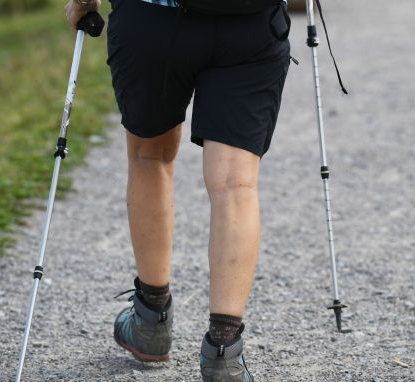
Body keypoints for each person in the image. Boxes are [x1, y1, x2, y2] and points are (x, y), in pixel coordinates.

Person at [66, 0, 290, 380]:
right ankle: (224, 351)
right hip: (250, 24)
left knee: (148, 157)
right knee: (235, 182)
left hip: (151, 18)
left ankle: (151, 321)